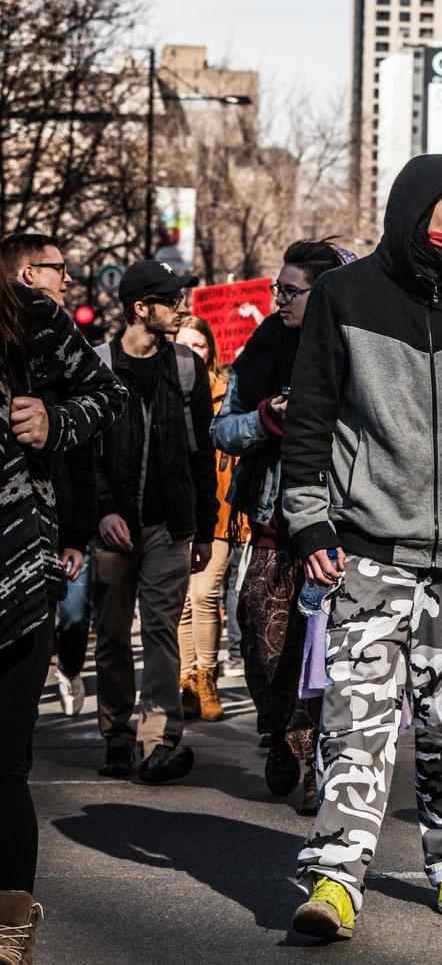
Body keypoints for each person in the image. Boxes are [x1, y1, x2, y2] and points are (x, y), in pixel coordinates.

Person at [283, 155, 442, 937]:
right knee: (354, 721)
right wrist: (309, 521)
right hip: (366, 551)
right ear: (418, 206)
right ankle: (335, 879)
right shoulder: (344, 296)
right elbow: (311, 416)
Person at [0, 274, 126, 961]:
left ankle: (9, 933)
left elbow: (109, 394)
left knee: (3, 769)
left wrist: (53, 421)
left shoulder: (28, 315)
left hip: (14, 581)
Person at [211, 239, 354, 811]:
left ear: (322, 294)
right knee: (264, 646)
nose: (279, 300)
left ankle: (318, 760)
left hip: (334, 526)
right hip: (271, 530)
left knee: (324, 651)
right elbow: (223, 431)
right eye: (277, 289)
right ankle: (277, 736)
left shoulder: (350, 344)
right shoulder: (265, 342)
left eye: (290, 291)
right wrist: (267, 418)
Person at [92, 260, 217, 784]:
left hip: (171, 525)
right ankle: (117, 735)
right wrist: (101, 512)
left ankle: (158, 740)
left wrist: (205, 528)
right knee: (114, 634)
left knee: (162, 629)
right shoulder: (94, 367)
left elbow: (201, 455)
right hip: (112, 529)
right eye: (171, 299)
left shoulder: (186, 368)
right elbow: (81, 455)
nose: (182, 306)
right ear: (140, 308)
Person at [2, 232, 96, 717]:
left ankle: (70, 671)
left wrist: (53, 421)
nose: (67, 278)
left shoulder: (50, 337)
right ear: (28, 273)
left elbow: (81, 449)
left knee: (73, 617)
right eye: (59, 268)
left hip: (38, 539)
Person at [175, 315, 233, 723]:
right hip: (175, 509)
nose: (192, 353)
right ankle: (187, 682)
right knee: (180, 602)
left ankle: (207, 676)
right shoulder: (166, 389)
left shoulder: (226, 392)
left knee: (204, 593)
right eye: (184, 345)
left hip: (218, 511)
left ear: (210, 350)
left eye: (198, 345)